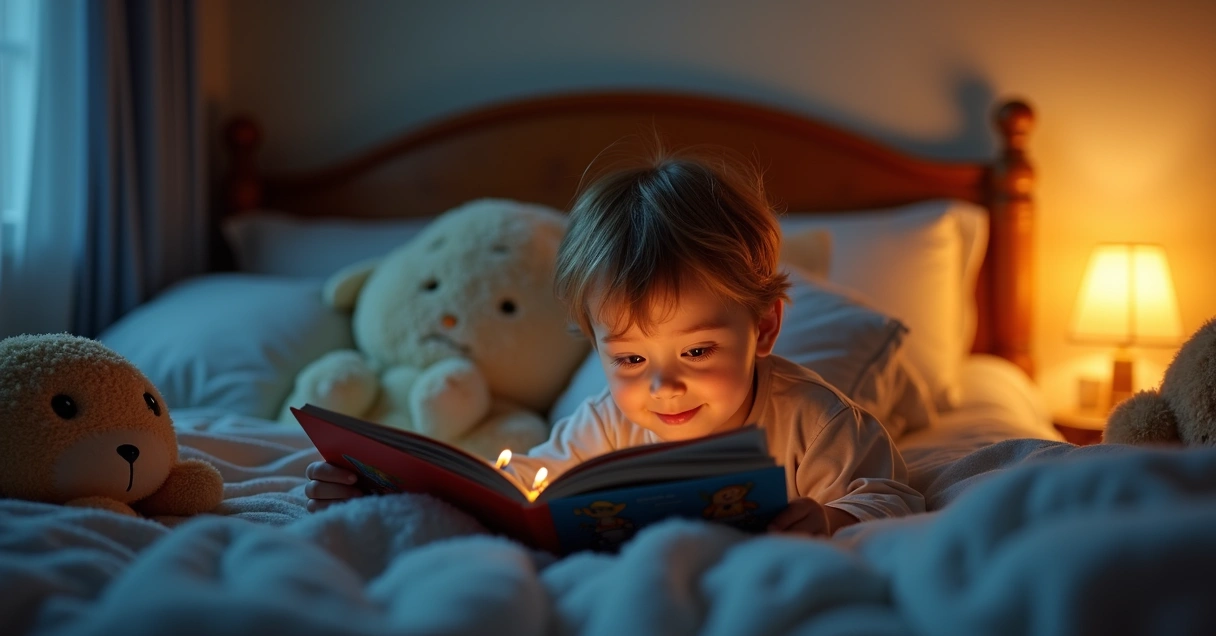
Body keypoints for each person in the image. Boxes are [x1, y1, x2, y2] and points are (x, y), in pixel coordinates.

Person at [305, 148, 924, 537]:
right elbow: (531, 481)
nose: (663, 385)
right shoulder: (605, 421)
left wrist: (833, 518)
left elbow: (891, 496)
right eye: (629, 358)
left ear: (763, 329)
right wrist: (385, 492)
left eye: (697, 351)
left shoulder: (815, 418)